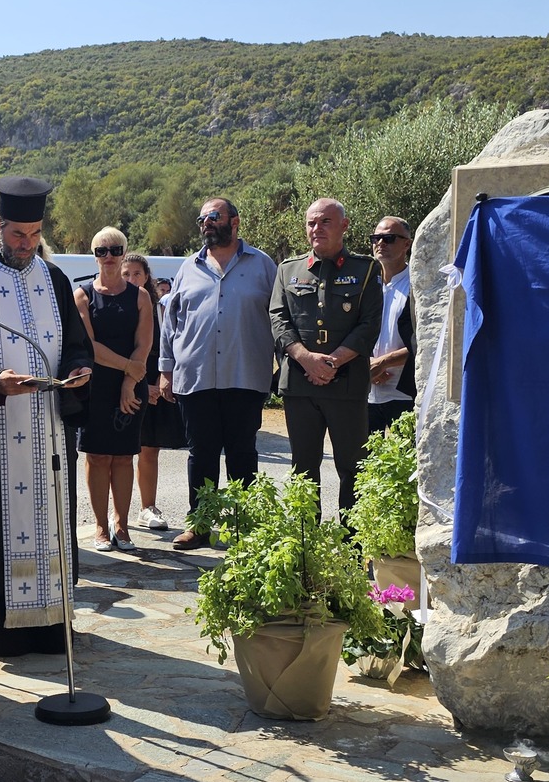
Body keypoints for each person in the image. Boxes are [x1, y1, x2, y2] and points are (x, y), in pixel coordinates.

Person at [0, 177, 92, 656]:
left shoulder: (54, 279)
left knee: (54, 518)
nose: (27, 244)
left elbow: (77, 343)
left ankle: (52, 623)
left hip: (50, 428)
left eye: (35, 234)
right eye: (18, 234)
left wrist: (79, 368)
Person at [160, 197, 280, 549]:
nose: (206, 224)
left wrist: (282, 368)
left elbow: (280, 318)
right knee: (201, 455)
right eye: (202, 219)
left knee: (242, 454)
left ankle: (246, 528)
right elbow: (171, 324)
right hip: (196, 377)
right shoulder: (189, 267)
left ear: (234, 221)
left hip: (246, 376)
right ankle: (199, 526)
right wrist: (165, 369)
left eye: (213, 216)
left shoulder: (263, 265)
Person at [271, 197, 382, 514]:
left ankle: (353, 540)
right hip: (300, 385)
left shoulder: (366, 269)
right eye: (311, 223)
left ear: (344, 226)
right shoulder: (288, 269)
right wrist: (305, 358)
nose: (316, 228)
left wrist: (332, 361)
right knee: (303, 468)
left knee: (353, 467)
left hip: (346, 384)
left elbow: (369, 324)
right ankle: (305, 538)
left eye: (325, 222)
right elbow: (278, 318)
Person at [75, 227, 153, 551]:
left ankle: (122, 526)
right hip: (96, 386)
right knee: (97, 457)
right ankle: (101, 527)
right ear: (94, 256)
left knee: (123, 458)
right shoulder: (82, 296)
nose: (108, 256)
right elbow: (89, 346)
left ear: (124, 253)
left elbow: (143, 344)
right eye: (101, 251)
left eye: (115, 250)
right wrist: (127, 368)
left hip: (131, 384)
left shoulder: (140, 296)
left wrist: (129, 382)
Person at [131, 266, 184, 532]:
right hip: (121, 385)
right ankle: (113, 517)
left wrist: (157, 384)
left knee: (149, 450)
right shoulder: (109, 307)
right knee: (111, 455)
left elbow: (170, 346)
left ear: (147, 277)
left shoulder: (159, 310)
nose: (131, 279)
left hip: (154, 382)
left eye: (136, 274)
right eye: (126, 274)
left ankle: (147, 508)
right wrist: (141, 387)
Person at [365, 216, 416, 434]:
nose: (380, 243)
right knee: (363, 455)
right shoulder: (366, 284)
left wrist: (384, 362)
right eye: (376, 238)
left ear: (407, 244)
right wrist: (367, 363)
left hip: (404, 393)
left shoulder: (417, 284)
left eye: (388, 238)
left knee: (406, 454)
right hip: (367, 392)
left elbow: (425, 340)